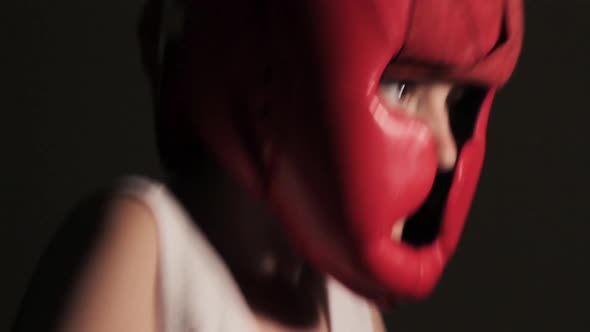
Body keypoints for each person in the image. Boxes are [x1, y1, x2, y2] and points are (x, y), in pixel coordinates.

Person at [12, 0, 523, 331]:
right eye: (403, 88)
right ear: (269, 63)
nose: (446, 148)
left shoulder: (347, 307)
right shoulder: (146, 245)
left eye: (456, 101)